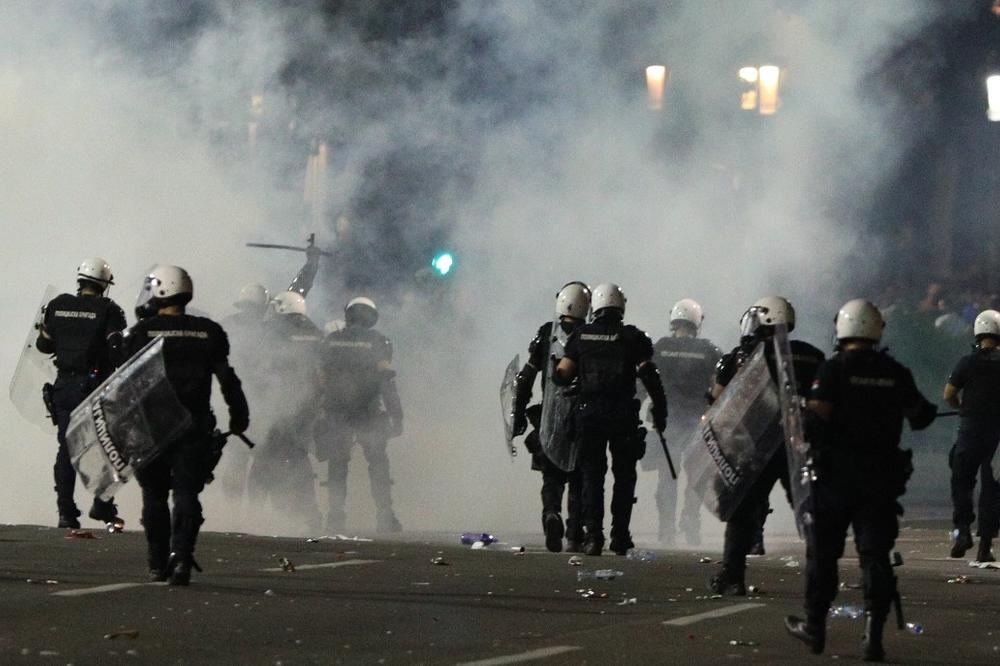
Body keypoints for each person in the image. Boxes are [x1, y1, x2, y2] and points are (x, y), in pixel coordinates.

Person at [785, 299, 937, 661]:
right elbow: (920, 415)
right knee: (875, 556)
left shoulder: (833, 370)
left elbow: (816, 419)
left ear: (843, 329)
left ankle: (815, 627)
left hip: (835, 478)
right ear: (876, 328)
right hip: (880, 479)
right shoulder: (895, 372)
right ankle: (873, 635)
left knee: (823, 554)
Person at [126, 265, 249, 585]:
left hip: (152, 426)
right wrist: (239, 415)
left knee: (153, 495)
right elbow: (227, 378)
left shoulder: (141, 332)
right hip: (193, 425)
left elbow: (123, 385)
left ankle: (156, 562)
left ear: (160, 291)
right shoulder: (209, 332)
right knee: (185, 492)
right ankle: (181, 558)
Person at [709, 296, 825, 595]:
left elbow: (717, 399)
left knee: (741, 512)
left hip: (755, 446)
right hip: (797, 444)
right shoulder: (812, 356)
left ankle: (732, 576)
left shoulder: (741, 357)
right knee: (809, 508)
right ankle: (821, 574)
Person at [555, 283, 667, 556]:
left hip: (589, 414)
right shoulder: (633, 338)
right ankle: (620, 536)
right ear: (621, 306)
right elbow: (649, 375)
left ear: (596, 306)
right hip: (622, 415)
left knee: (592, 477)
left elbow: (563, 374)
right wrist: (660, 409)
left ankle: (593, 537)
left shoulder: (581, 336)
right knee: (624, 477)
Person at [36, 257, 127, 529]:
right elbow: (116, 350)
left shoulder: (57, 306)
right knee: (105, 447)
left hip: (63, 387)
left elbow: (43, 345)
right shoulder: (108, 309)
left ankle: (66, 512)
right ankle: (103, 505)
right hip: (94, 388)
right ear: (104, 285)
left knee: (66, 449)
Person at [511, 282, 590, 553]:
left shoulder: (547, 333)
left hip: (550, 416)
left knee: (552, 476)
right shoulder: (589, 335)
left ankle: (551, 514)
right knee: (579, 477)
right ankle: (574, 532)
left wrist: (518, 415)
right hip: (581, 417)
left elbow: (525, 377)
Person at [315, 297, 404, 533]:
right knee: (377, 464)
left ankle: (335, 517)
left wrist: (321, 412)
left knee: (337, 465)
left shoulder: (331, 341)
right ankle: (385, 516)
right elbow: (386, 380)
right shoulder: (380, 341)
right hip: (369, 413)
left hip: (337, 412)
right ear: (372, 316)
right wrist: (397, 414)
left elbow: (321, 380)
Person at [643, 298, 721, 546]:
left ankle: (666, 529)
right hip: (698, 424)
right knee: (697, 476)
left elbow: (643, 382)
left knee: (667, 477)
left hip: (667, 424)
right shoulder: (709, 350)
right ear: (697, 322)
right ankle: (691, 519)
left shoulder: (660, 348)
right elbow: (719, 384)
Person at [246, 291, 324, 533]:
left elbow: (258, 365)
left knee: (263, 455)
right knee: (299, 456)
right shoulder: (316, 333)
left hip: (277, 404)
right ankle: (310, 514)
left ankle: (255, 512)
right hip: (307, 406)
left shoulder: (272, 331)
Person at [943, 308, 1000, 562]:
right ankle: (984, 546)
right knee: (992, 490)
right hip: (996, 438)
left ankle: (963, 530)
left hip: (970, 432)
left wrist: (962, 408)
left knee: (962, 482)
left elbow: (949, 395)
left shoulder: (967, 362)